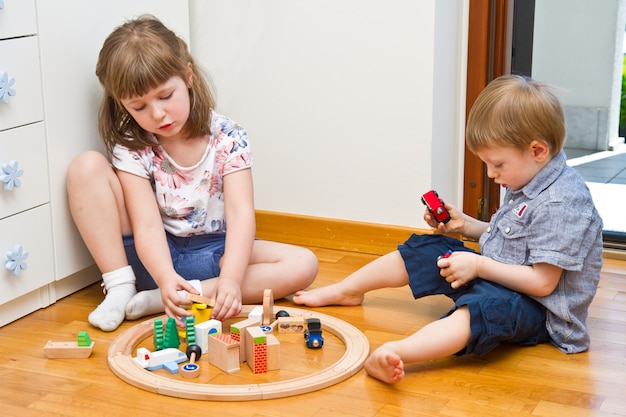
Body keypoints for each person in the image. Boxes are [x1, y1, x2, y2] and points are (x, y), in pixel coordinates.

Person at [293, 74, 603, 384]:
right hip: (499, 276)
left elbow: (542, 283)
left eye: (497, 164)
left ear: (538, 151)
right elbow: (515, 243)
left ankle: (397, 352)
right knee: (426, 249)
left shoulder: (561, 204)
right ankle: (346, 290)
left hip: (537, 310)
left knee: (484, 309)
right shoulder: (529, 175)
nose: (492, 174)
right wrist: (466, 226)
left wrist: (478, 265)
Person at [67, 15, 318, 332]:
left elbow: (241, 215)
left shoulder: (228, 137)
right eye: (139, 107)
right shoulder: (132, 145)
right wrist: (164, 275)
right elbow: (145, 224)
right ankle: (122, 288)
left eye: (165, 96)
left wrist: (231, 280)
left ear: (188, 77)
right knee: (84, 167)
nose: (157, 114)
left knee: (304, 264)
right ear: (122, 105)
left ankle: (175, 297)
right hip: (153, 258)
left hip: (216, 254)